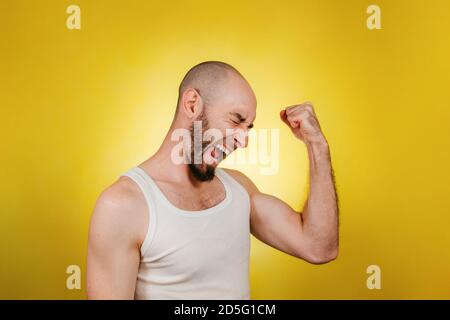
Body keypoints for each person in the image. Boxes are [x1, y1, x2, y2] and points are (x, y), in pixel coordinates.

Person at [87, 61, 339, 299]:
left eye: (248, 128)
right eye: (235, 120)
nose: (243, 141)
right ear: (192, 103)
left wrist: (318, 146)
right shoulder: (123, 205)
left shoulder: (239, 189)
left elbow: (319, 247)